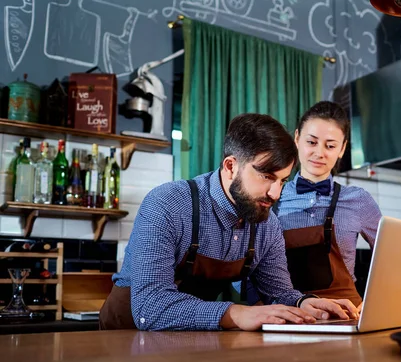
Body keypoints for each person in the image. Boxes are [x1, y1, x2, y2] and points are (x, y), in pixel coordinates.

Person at [99, 113, 358, 331]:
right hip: (124, 339)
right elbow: (149, 308)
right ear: (231, 166)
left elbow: (278, 291)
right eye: (266, 176)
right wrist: (236, 314)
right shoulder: (167, 204)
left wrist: (303, 303)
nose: (275, 193)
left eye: (282, 181)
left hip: (192, 341)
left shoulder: (267, 225)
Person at [273, 101, 382, 308]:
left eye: (330, 146)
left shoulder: (359, 200)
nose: (319, 153)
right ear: (297, 139)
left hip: (345, 314)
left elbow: (390, 258)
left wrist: (373, 303)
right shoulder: (271, 195)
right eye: (311, 142)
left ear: (342, 149)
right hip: (286, 314)